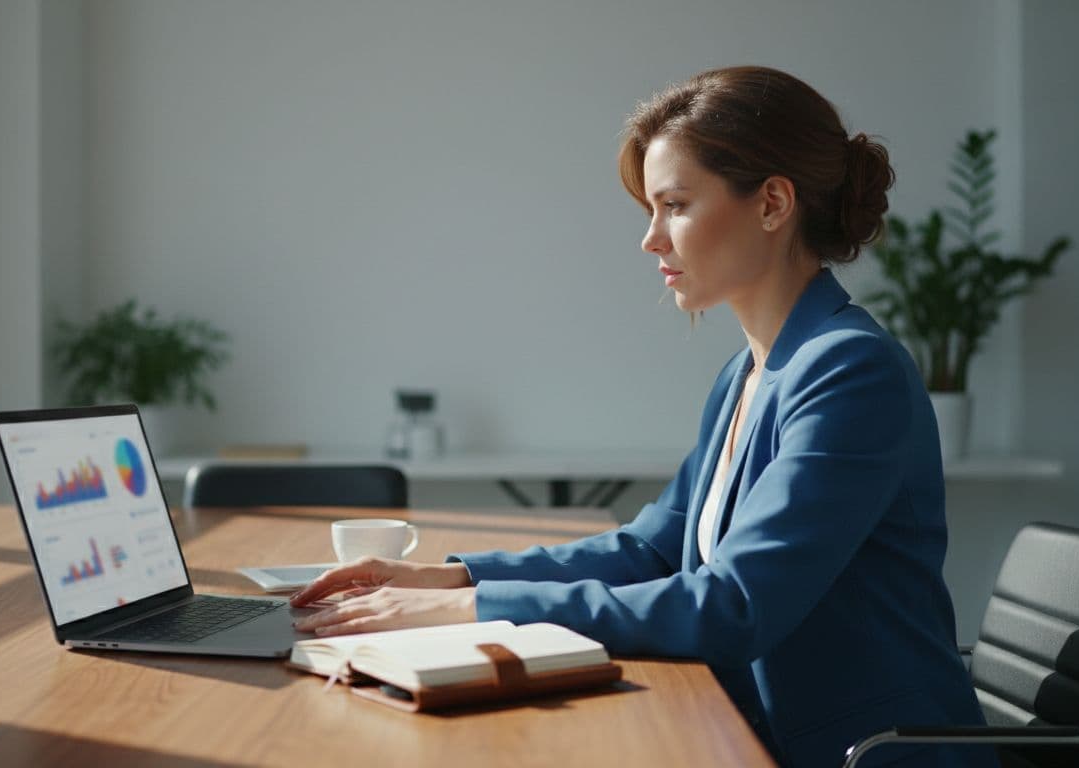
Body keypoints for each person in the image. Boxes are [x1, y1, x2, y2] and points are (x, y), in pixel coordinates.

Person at [291, 66, 993, 768]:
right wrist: (450, 579)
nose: (651, 239)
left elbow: (735, 606)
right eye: (649, 211)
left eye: (675, 205)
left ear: (774, 202)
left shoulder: (848, 371)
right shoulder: (750, 372)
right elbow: (655, 549)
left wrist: (464, 614)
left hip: (855, 754)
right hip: (745, 730)